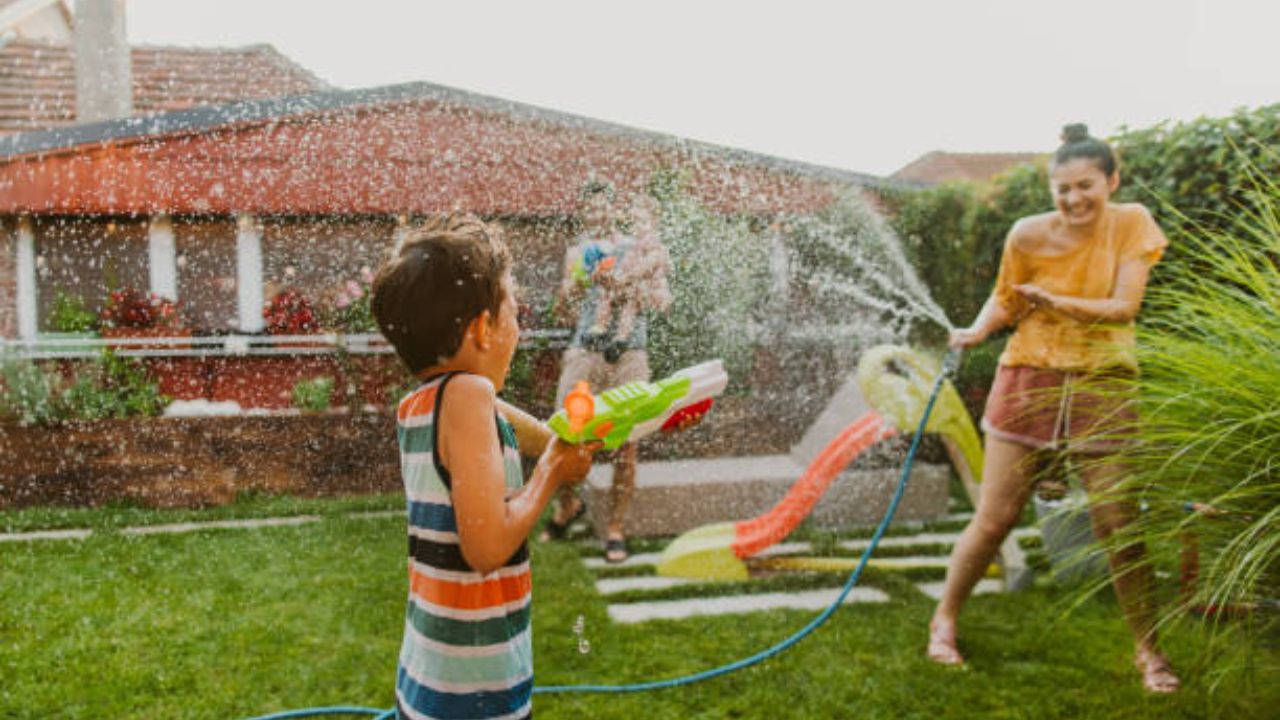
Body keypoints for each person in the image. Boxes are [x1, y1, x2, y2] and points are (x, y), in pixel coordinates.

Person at [928, 124, 1180, 694]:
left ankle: (1150, 649)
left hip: (1103, 382)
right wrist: (976, 330)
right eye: (1062, 189)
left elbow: (1124, 307)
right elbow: (1007, 295)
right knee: (995, 519)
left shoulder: (1133, 223)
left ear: (1112, 180)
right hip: (1028, 375)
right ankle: (943, 621)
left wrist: (1055, 301)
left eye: (1086, 185)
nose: (1073, 199)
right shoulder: (1026, 234)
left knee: (1119, 525)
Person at [371, 214, 599, 719]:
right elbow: (487, 548)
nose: (521, 323)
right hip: (470, 693)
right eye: (514, 310)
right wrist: (552, 475)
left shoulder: (424, 402)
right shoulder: (470, 396)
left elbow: (529, 430)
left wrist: (571, 439)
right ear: (482, 329)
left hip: (434, 672)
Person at [541, 181, 671, 563]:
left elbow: (662, 301)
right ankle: (568, 507)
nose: (597, 215)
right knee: (562, 432)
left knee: (626, 444)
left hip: (630, 353)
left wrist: (631, 287)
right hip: (586, 350)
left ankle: (615, 527)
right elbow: (564, 311)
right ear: (584, 214)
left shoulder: (641, 248)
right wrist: (572, 291)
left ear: (615, 210)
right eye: (590, 209)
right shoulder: (578, 253)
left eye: (603, 207)